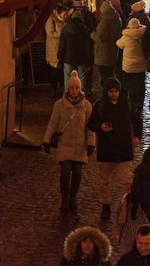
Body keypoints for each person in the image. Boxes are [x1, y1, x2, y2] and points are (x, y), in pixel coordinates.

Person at [87, 78, 140, 222]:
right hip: (107, 149)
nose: (113, 94)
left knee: (127, 180)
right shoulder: (99, 106)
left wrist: (137, 136)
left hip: (123, 148)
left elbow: (137, 119)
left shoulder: (127, 104)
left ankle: (128, 204)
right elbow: (91, 124)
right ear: (107, 92)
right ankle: (106, 205)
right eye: (111, 91)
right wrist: (100, 127)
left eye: (116, 91)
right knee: (104, 181)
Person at [44, 69, 95, 212]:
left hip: (80, 146)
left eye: (77, 88)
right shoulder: (59, 105)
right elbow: (53, 123)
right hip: (65, 145)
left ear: (80, 88)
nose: (74, 90)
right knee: (65, 173)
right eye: (72, 87)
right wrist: (46, 140)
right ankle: (64, 199)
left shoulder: (87, 106)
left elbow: (90, 127)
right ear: (68, 88)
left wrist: (91, 144)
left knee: (77, 174)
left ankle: (73, 197)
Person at [116, 15, 148, 118]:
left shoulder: (126, 36)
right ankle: (139, 105)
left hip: (128, 67)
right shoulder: (144, 34)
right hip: (141, 66)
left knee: (129, 85)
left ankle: (131, 104)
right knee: (140, 85)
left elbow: (119, 44)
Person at [59, 4, 94, 90]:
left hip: (68, 57)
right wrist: (89, 61)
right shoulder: (86, 29)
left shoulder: (65, 29)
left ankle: (68, 96)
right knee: (82, 77)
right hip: (81, 58)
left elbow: (62, 45)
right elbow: (88, 47)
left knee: (67, 78)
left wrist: (60, 57)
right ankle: (81, 96)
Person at [93, 0, 123, 83]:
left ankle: (107, 92)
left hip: (103, 53)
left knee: (105, 75)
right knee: (110, 73)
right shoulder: (117, 18)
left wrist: (92, 34)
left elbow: (101, 37)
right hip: (113, 51)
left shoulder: (105, 21)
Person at [46, 4, 68, 97]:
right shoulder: (51, 19)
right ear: (59, 13)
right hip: (53, 48)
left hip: (63, 49)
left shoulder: (64, 21)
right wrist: (62, 34)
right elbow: (50, 33)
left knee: (62, 71)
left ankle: (63, 90)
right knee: (54, 71)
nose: (66, 16)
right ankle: (53, 90)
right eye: (64, 14)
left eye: (66, 14)